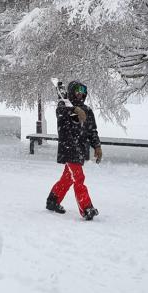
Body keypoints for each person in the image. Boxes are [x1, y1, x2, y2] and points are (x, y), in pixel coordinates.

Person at [46, 80, 103, 220]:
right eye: (77, 90)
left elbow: (92, 131)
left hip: (80, 150)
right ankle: (86, 208)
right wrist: (74, 110)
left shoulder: (87, 110)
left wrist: (97, 146)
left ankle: (53, 200)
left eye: (83, 91)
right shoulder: (64, 106)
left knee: (68, 178)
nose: (80, 93)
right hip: (69, 148)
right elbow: (61, 112)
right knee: (78, 178)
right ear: (71, 92)